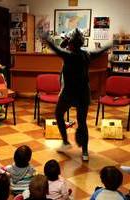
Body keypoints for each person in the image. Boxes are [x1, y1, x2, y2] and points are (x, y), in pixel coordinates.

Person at [42, 28, 112, 161]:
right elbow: (101, 51)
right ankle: (85, 152)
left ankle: (65, 142)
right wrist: (110, 44)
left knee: (58, 114)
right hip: (83, 93)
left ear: (72, 44)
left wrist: (46, 38)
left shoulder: (67, 55)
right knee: (82, 122)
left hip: (69, 93)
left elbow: (55, 48)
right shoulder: (86, 55)